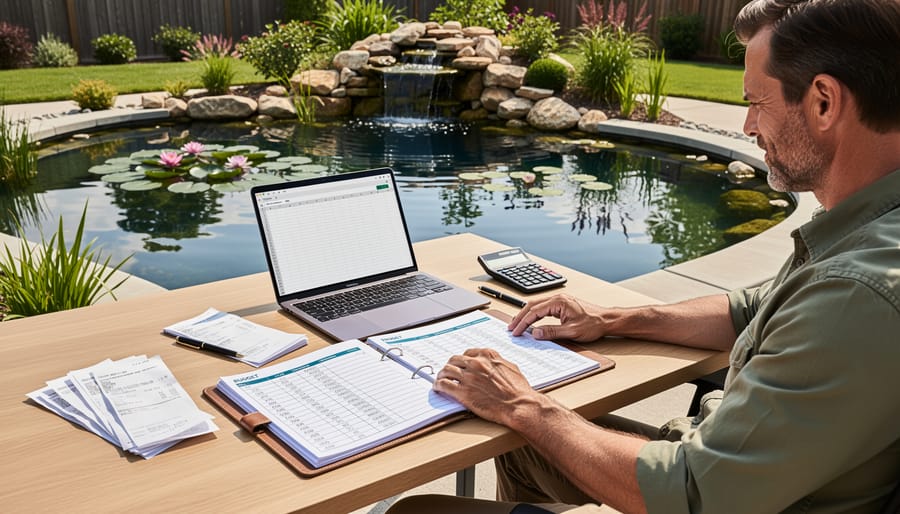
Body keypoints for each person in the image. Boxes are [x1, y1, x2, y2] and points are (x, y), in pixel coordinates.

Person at [385, 0, 900, 512]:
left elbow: (693, 494)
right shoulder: (867, 228)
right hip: (739, 467)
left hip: (711, 490)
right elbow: (748, 309)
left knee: (413, 510)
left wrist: (522, 404)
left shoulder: (855, 291)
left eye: (758, 103)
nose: (746, 126)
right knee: (525, 453)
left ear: (825, 103)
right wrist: (611, 317)